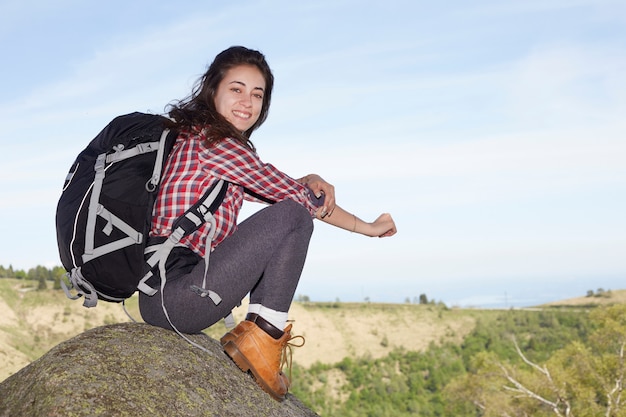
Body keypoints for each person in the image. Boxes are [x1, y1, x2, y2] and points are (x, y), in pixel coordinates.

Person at [138, 45, 397, 401]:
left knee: (288, 213)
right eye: (236, 89)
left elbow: (272, 188)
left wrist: (306, 179)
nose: (247, 101)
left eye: (256, 94)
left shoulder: (197, 138)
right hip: (178, 297)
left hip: (163, 294)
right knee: (294, 216)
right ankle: (263, 337)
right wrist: (369, 227)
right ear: (213, 90)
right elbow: (296, 202)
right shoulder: (219, 145)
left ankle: (256, 335)